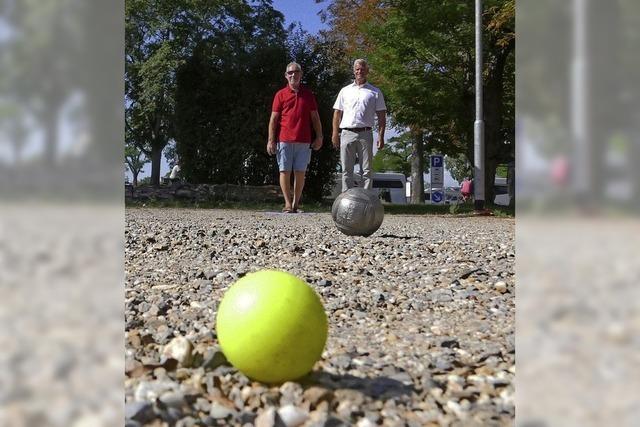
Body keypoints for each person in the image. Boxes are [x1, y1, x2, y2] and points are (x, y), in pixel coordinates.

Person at [267, 62, 323, 213]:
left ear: (301, 74)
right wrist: (271, 140)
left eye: (296, 72)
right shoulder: (280, 95)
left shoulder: (308, 94)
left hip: (304, 140)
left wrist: (319, 136)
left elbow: (315, 118)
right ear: (286, 76)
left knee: (300, 172)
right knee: (284, 171)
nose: (293, 75)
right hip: (284, 139)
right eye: (290, 73)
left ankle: (296, 204)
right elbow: (273, 119)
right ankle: (287, 203)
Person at [332, 58, 386, 192]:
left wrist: (381, 136)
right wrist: (334, 134)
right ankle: (346, 199)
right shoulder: (345, 91)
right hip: (346, 133)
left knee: (366, 170)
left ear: (367, 71)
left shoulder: (375, 92)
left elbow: (381, 116)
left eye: (362, 69)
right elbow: (337, 113)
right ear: (353, 71)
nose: (359, 71)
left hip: (365, 133)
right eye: (357, 69)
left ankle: (366, 199)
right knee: (346, 170)